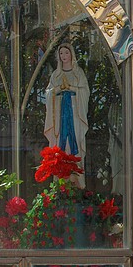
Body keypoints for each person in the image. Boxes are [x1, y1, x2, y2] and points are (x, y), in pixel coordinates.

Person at [43, 43, 89, 186]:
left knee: (75, 146)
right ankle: (60, 185)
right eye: (61, 53)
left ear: (71, 54)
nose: (64, 56)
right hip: (60, 118)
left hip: (75, 116)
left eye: (66, 53)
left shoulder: (78, 73)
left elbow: (85, 92)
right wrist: (58, 89)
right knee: (60, 147)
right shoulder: (56, 75)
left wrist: (72, 88)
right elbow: (48, 93)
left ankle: (77, 183)